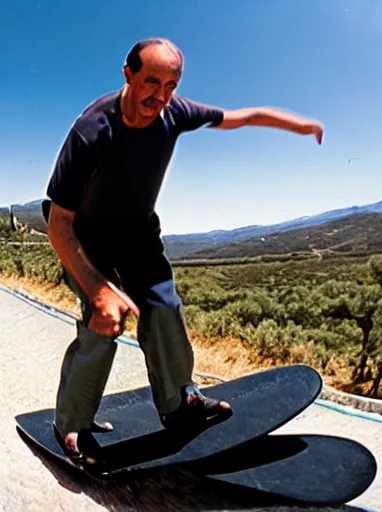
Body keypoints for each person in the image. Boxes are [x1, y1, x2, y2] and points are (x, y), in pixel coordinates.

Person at [42, 37, 323, 465]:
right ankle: (72, 424)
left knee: (164, 307)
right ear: (128, 75)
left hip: (137, 236)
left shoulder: (175, 112)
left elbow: (240, 117)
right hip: (86, 237)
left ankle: (178, 404)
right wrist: (99, 290)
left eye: (172, 84)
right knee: (105, 321)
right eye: (152, 81)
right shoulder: (92, 130)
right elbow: (58, 223)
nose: (161, 95)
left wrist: (298, 125)